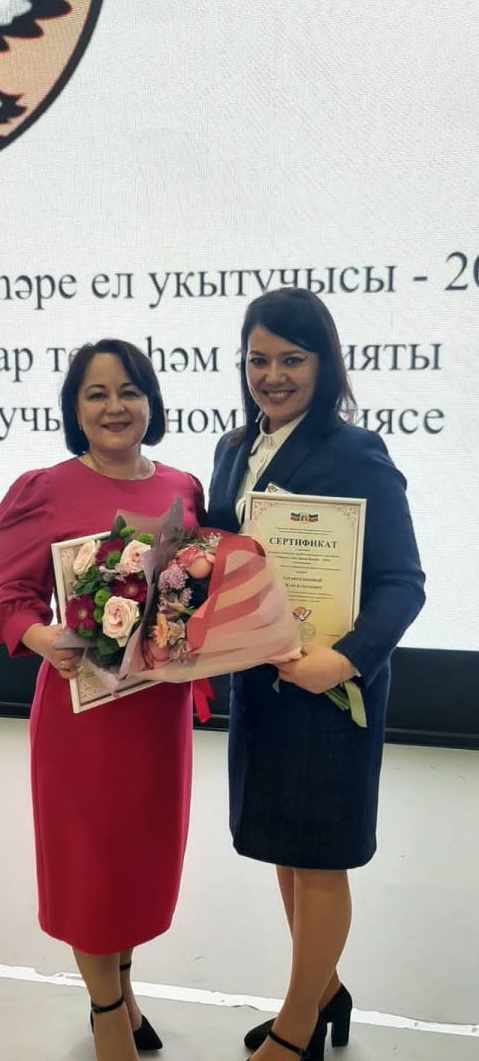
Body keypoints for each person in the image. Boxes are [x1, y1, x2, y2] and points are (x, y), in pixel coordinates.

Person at [207, 288, 425, 1061]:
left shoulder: (355, 451)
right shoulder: (234, 447)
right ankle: (324, 991)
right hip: (259, 686)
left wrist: (344, 659)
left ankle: (296, 1031)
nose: (272, 375)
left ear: (324, 363)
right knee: (284, 847)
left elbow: (403, 583)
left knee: (322, 858)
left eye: (291, 359)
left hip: (331, 693)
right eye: (258, 359)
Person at [0, 339, 204, 1061]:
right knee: (92, 869)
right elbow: (0, 601)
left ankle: (126, 994)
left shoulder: (183, 488)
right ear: (75, 409)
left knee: (136, 863)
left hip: (156, 714)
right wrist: (43, 636)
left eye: (128, 390)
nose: (114, 406)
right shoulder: (47, 490)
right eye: (96, 393)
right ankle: (107, 1015)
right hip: (83, 721)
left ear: (151, 401)